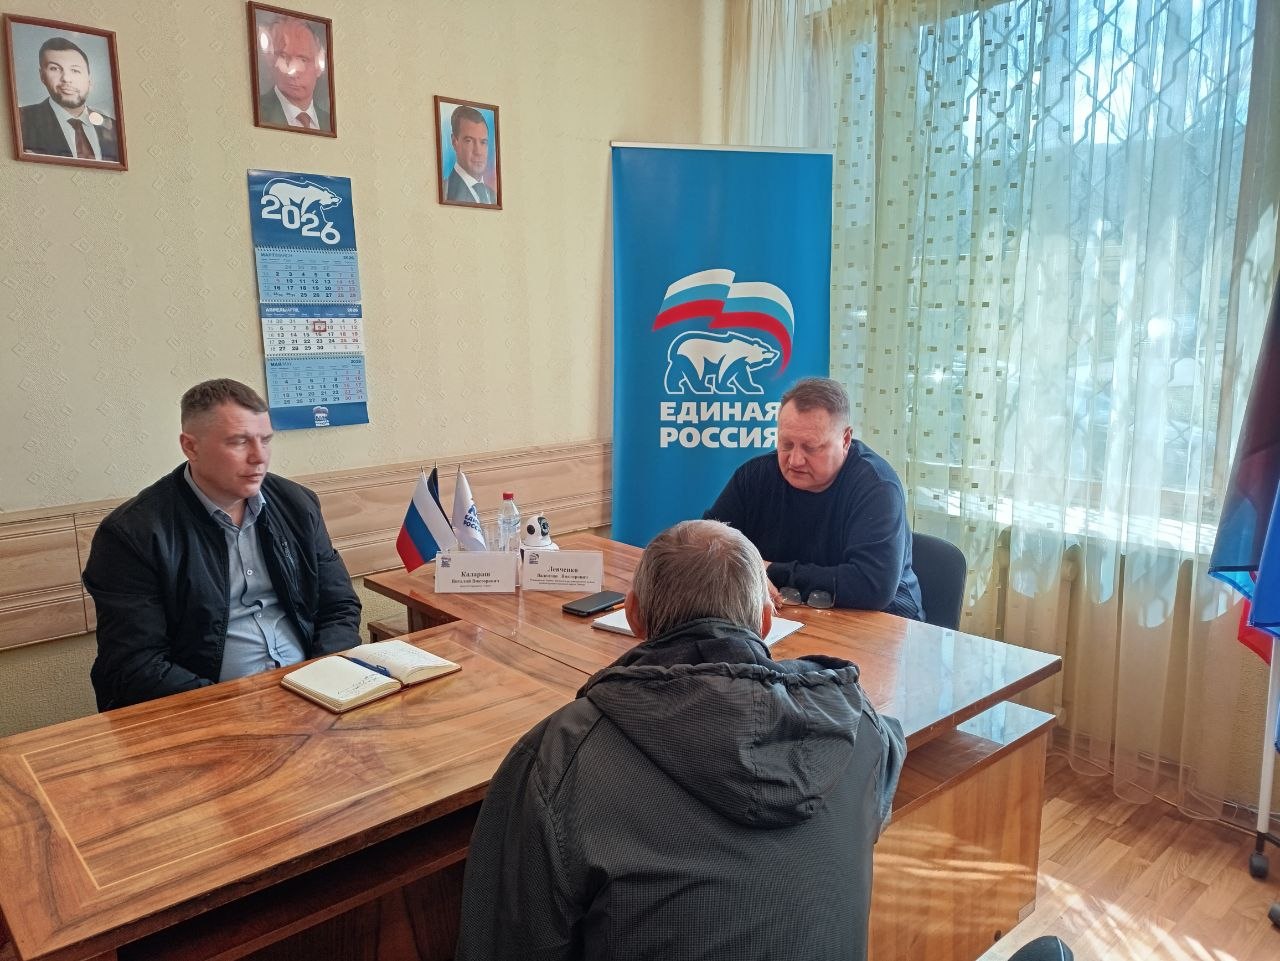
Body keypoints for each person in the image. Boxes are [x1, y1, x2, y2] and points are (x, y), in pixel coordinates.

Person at [456, 519, 906, 961]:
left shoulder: (560, 757)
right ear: (766, 621)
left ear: (633, 614)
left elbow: (507, 941)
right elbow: (890, 745)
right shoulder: (855, 726)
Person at [84, 379, 360, 710]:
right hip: (208, 705)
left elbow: (339, 605)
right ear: (191, 447)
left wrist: (321, 678)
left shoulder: (297, 504)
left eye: (265, 440)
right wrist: (233, 705)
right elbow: (136, 663)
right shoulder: (132, 533)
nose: (259, 457)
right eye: (239, 442)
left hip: (311, 689)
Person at [705, 376, 924, 619]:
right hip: (788, 614)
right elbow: (705, 547)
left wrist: (767, 570)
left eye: (811, 448)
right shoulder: (754, 476)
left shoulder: (876, 486)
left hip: (883, 619)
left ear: (845, 440)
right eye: (786, 444)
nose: (795, 460)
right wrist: (751, 571)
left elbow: (872, 586)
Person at [19, 36, 120, 162]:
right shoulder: (21, 120)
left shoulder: (114, 128)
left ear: (89, 80)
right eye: (55, 68)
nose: (66, 78)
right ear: (42, 76)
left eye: (75, 70)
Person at [257, 16, 330, 132]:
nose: (293, 72)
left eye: (303, 60)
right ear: (271, 61)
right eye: (283, 57)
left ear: (319, 66)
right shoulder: (257, 110)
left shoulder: (329, 121)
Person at [443, 106, 494, 204]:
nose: (478, 152)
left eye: (483, 142)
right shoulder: (444, 191)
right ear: (454, 142)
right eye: (469, 141)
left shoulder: (493, 196)